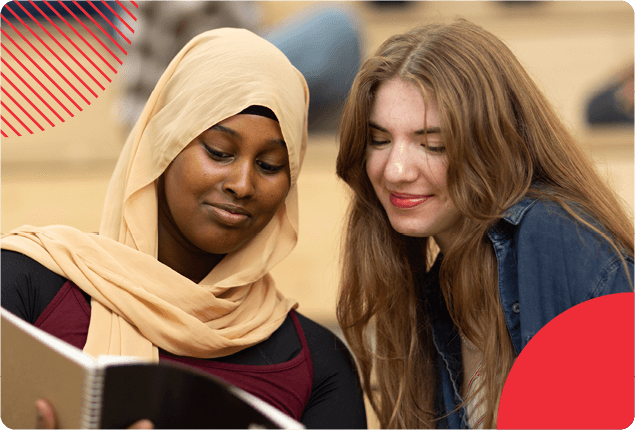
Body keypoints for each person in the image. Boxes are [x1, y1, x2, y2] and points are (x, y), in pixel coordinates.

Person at [1, 28, 366, 429]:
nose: (242, 184)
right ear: (164, 143)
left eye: (270, 165)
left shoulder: (319, 365)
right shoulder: (24, 284)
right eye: (219, 152)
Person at [335, 19, 635, 430]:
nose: (397, 170)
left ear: (492, 146)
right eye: (380, 140)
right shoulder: (433, 288)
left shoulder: (553, 236)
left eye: (432, 144)